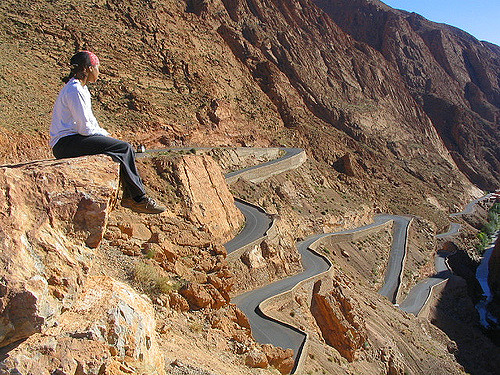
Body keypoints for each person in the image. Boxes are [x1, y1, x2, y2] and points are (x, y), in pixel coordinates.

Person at [50, 50, 165, 214]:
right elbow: (85, 128)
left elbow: (88, 122)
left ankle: (130, 196)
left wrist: (104, 136)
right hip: (67, 143)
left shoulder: (79, 89)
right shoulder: (75, 90)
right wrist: (105, 136)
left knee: (117, 151)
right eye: (97, 67)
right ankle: (138, 198)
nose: (99, 72)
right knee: (124, 148)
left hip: (70, 141)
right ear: (89, 68)